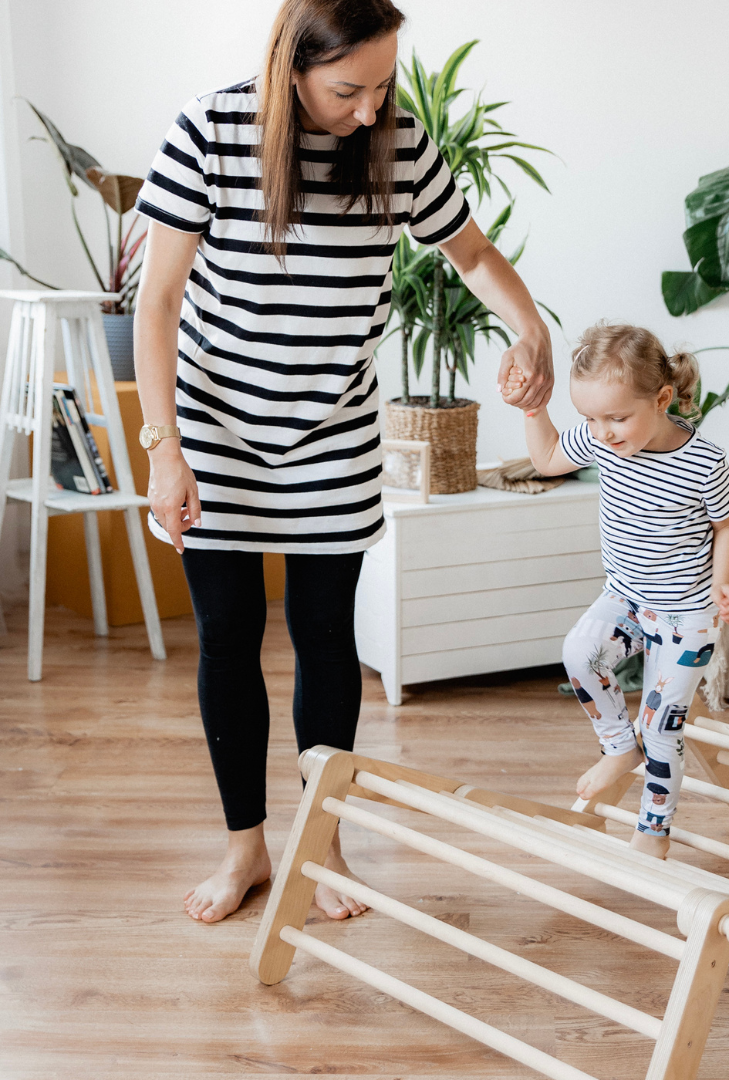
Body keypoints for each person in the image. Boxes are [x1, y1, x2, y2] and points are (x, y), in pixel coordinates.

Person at [133, 0, 553, 923]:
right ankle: (246, 847)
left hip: (333, 428)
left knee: (327, 641)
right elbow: (158, 302)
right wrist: (164, 451)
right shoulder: (210, 130)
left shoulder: (396, 144)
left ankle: (321, 850)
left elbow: (470, 251)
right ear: (292, 70)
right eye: (346, 89)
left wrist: (530, 326)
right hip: (213, 425)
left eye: (383, 85)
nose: (369, 110)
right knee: (228, 639)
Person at [506, 324, 729, 858]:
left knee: (661, 728)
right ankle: (619, 747)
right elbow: (546, 460)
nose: (603, 432)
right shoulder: (600, 440)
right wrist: (531, 409)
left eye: (616, 418)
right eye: (591, 418)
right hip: (628, 597)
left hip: (686, 616)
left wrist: (725, 583)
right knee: (580, 653)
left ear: (662, 399)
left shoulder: (705, 462)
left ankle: (651, 834)